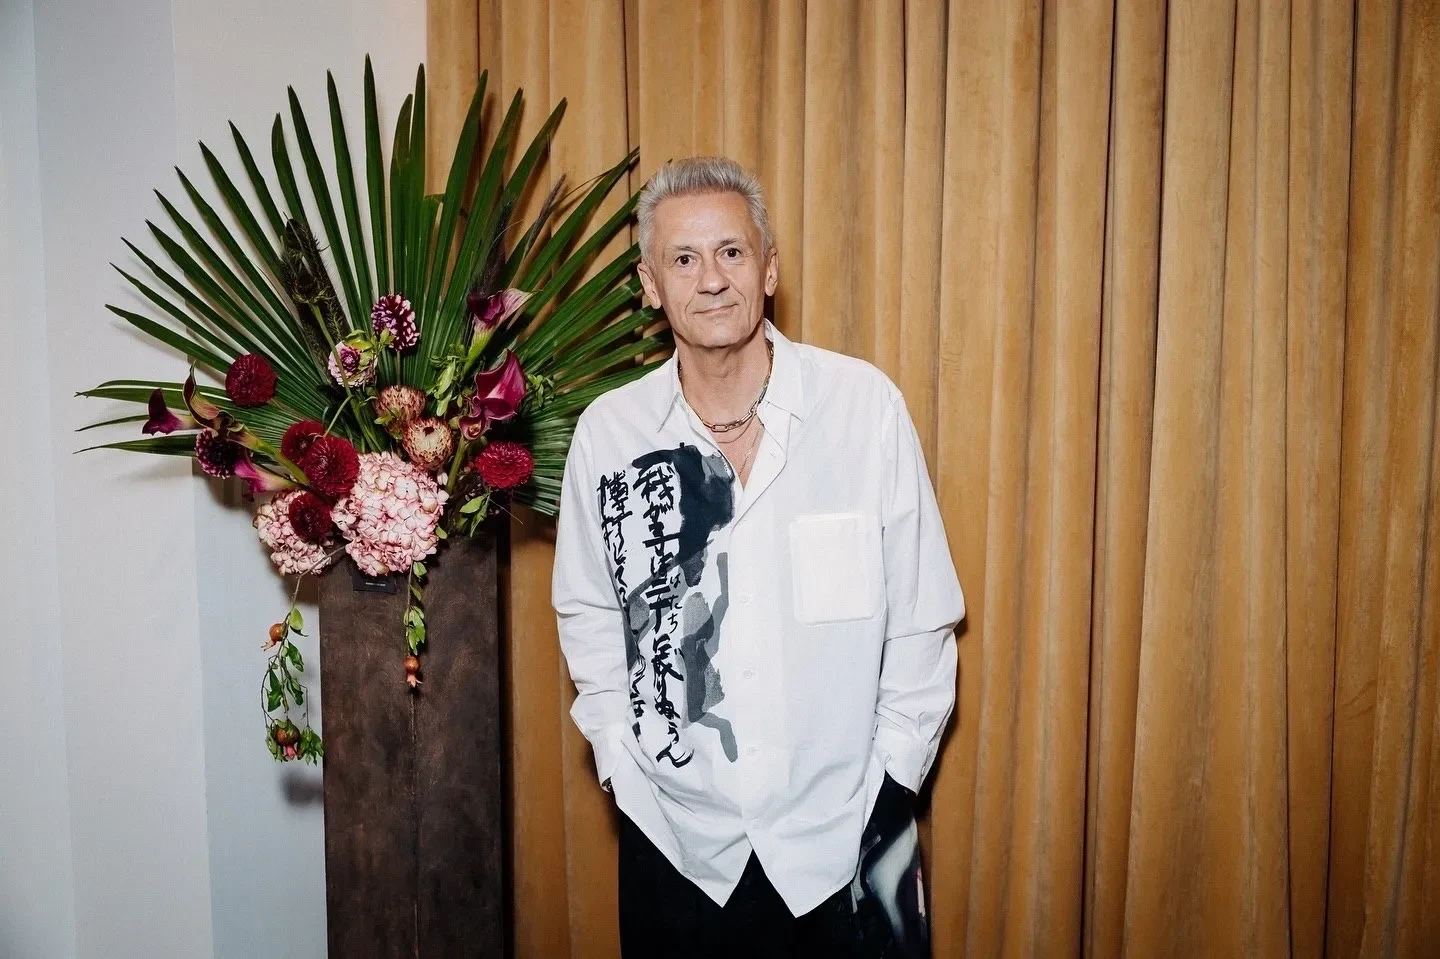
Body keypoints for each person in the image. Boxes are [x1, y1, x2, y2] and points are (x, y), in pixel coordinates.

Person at [551, 155, 965, 958]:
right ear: (649, 285)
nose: (711, 279)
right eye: (683, 258)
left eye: (731, 252)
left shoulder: (863, 410)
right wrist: (621, 764)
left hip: (849, 841)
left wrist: (891, 786)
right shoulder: (610, 434)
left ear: (768, 269)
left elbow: (922, 617)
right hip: (677, 849)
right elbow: (590, 612)